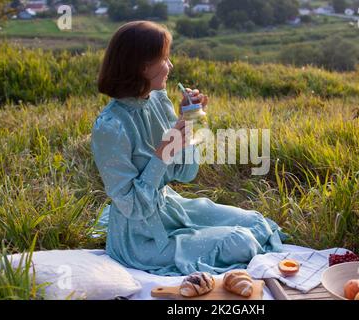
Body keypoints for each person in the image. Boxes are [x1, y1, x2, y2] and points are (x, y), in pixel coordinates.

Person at [91, 21, 287, 276]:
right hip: (142, 237)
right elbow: (134, 207)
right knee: (241, 242)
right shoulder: (111, 126)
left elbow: (185, 173)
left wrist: (188, 118)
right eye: (164, 59)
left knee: (255, 222)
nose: (170, 66)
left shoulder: (157, 99)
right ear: (142, 66)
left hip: (170, 207)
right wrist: (161, 155)